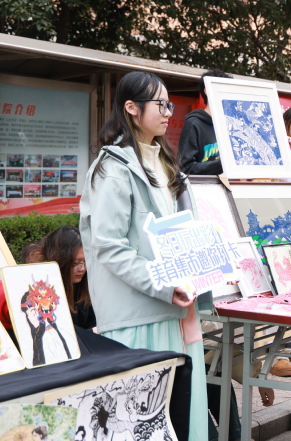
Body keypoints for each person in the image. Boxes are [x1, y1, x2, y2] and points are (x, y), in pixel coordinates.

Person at [79, 71, 208, 441]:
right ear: (132, 108)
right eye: (160, 104)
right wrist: (165, 285)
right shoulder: (113, 168)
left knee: (182, 417)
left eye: (169, 104)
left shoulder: (167, 163)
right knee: (143, 423)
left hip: (178, 310)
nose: (169, 112)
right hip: (140, 315)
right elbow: (109, 246)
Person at [36, 225, 96, 330]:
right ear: (61, 261)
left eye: (86, 261)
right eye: (76, 263)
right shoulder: (42, 294)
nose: (82, 268)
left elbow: (93, 322)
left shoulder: (86, 285)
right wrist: (91, 332)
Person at [177, 69, 232, 175]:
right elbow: (186, 167)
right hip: (203, 185)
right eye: (224, 88)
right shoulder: (193, 123)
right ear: (207, 91)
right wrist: (222, 165)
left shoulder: (230, 124)